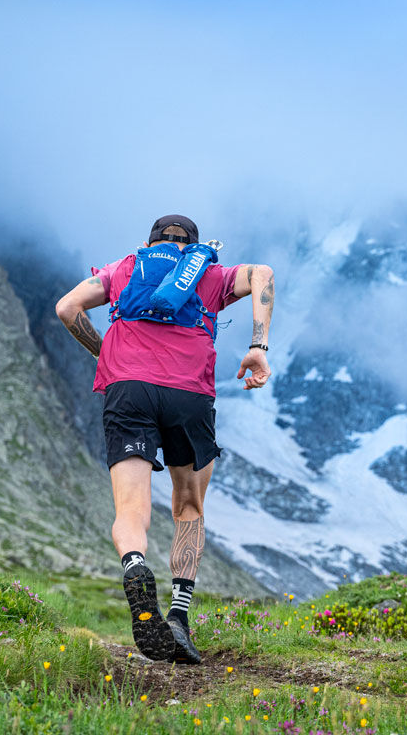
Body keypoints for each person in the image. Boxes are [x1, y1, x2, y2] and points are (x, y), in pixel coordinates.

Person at [55, 214, 274, 664]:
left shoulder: (123, 270)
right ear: (193, 246)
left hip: (127, 390)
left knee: (130, 508)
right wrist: (259, 345)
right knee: (188, 507)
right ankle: (177, 615)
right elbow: (263, 275)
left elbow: (66, 308)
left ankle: (136, 568)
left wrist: (107, 354)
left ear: (150, 243)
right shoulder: (210, 275)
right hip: (189, 395)